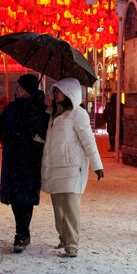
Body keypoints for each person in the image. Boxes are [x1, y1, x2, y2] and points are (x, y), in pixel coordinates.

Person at [0, 74, 49, 253]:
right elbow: (0, 125)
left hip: (30, 158)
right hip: (13, 158)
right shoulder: (11, 108)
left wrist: (32, 125)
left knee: (26, 196)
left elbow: (45, 132)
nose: (18, 90)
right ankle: (21, 230)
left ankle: (21, 233)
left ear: (29, 90)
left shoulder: (39, 110)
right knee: (15, 196)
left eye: (21, 87)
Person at [41, 78, 104, 258]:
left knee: (70, 207)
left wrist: (97, 165)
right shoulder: (52, 114)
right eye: (54, 92)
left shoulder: (78, 114)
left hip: (72, 168)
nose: (55, 95)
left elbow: (88, 141)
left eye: (59, 91)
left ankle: (72, 244)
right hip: (54, 167)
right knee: (58, 208)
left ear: (70, 92)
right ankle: (63, 237)